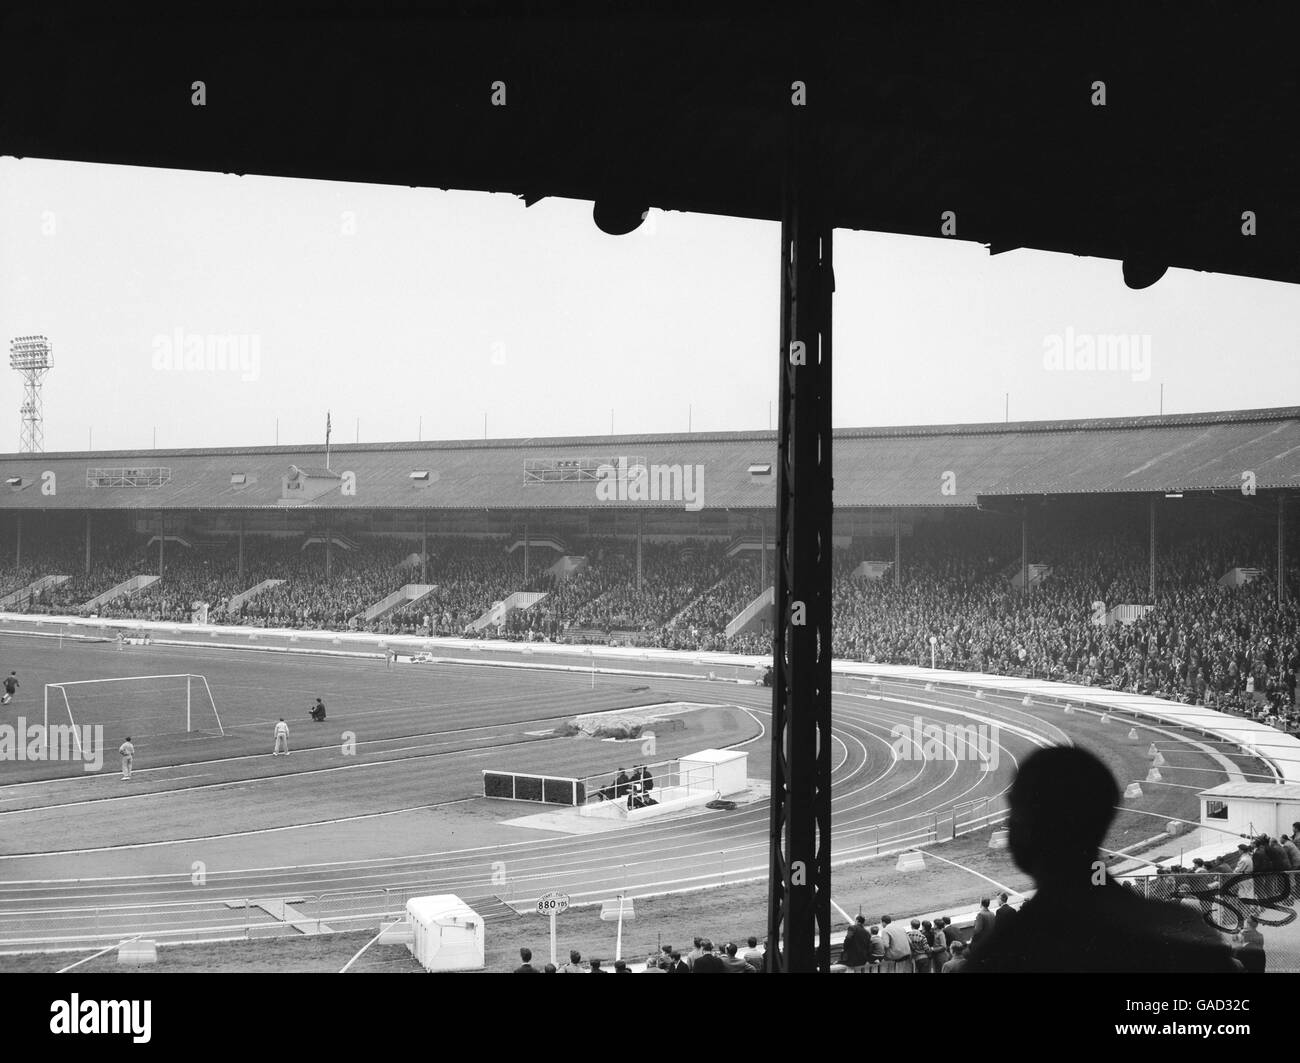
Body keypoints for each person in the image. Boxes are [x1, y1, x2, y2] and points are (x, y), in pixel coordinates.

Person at [961, 746, 1237, 972]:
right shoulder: (1184, 930)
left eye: (1015, 811)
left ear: (1034, 827)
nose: (1009, 822)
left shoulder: (1003, 953)